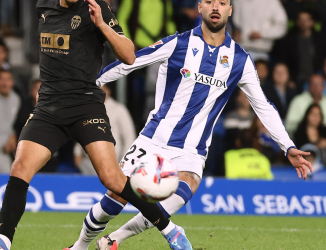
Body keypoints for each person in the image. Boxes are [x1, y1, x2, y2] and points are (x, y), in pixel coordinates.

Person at [73, 1, 313, 249]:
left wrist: (288, 146)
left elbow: (262, 105)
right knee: (114, 199)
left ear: (231, 10)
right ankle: (80, 245)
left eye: (222, 3)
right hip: (154, 139)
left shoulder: (239, 60)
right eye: (209, 2)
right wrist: (92, 84)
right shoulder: (178, 43)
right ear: (200, 7)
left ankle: (115, 239)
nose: (215, 7)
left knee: (183, 190)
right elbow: (131, 60)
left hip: (192, 149)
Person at [0, 1, 192, 250]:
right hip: (49, 108)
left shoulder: (96, 8)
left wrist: (102, 25)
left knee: (113, 179)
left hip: (85, 105)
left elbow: (129, 55)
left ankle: (170, 230)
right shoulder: (44, 5)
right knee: (20, 168)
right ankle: (2, 242)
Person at [74, 84, 136, 175]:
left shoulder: (119, 109)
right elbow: (81, 133)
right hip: (88, 163)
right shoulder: (87, 109)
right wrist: (77, 153)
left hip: (114, 162)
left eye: (102, 90)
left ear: (108, 91)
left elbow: (129, 137)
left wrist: (124, 162)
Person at [273, 11, 326, 90]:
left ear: (312, 22)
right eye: (300, 20)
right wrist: (289, 80)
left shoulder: (320, 40)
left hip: (316, 79)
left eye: (306, 20)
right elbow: (284, 61)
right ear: (297, 22)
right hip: (296, 81)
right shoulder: (289, 40)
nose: (303, 23)